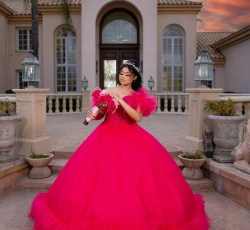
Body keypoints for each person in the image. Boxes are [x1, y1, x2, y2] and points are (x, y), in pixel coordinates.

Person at [29, 59, 210, 229]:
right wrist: (95, 112)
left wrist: (120, 100)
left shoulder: (137, 96)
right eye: (121, 73)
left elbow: (137, 117)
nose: (122, 76)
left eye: (126, 74)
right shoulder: (108, 91)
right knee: (97, 176)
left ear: (134, 78)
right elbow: (100, 113)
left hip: (130, 135)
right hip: (105, 133)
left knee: (135, 178)